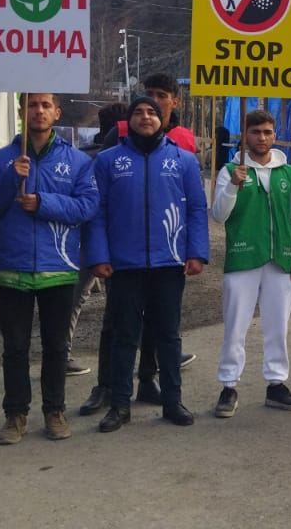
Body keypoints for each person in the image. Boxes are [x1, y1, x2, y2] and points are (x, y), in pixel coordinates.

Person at [0, 93, 99, 444]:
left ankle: (54, 411)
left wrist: (44, 202)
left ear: (57, 112)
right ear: (21, 112)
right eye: (32, 105)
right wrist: (9, 179)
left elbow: (87, 206)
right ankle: (15, 415)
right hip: (11, 266)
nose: (39, 111)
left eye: (46, 105)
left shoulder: (77, 162)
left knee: (56, 346)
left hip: (58, 267)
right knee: (15, 347)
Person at [84, 97, 209, 431]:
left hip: (169, 262)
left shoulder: (183, 161)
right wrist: (99, 255)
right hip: (124, 265)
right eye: (138, 112)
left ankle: (172, 401)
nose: (145, 117)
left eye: (152, 112)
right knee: (124, 336)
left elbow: (197, 209)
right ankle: (120, 405)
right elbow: (96, 212)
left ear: (162, 119)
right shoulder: (108, 161)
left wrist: (197, 252)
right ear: (128, 121)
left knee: (168, 335)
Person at [210, 109, 291, 417]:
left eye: (267, 132)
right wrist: (231, 187)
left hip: (280, 258)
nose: (263, 138)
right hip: (243, 258)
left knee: (277, 326)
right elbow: (218, 215)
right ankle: (228, 386)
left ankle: (276, 384)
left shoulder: (288, 172)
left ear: (273, 134)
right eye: (256, 132)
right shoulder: (231, 170)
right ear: (245, 135)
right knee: (235, 327)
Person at [135, 74, 199, 401]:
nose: (155, 100)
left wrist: (194, 249)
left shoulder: (183, 141)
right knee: (117, 326)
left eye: (161, 95)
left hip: (168, 247)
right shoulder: (124, 134)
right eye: (149, 94)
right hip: (130, 249)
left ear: (174, 101)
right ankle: (107, 387)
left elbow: (193, 201)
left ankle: (152, 380)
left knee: (162, 323)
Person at [77, 103, 127, 416]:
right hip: (110, 253)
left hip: (144, 254)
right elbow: (93, 211)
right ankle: (106, 386)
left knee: (150, 323)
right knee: (113, 321)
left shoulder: (164, 154)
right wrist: (98, 254)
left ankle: (145, 379)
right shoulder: (99, 161)